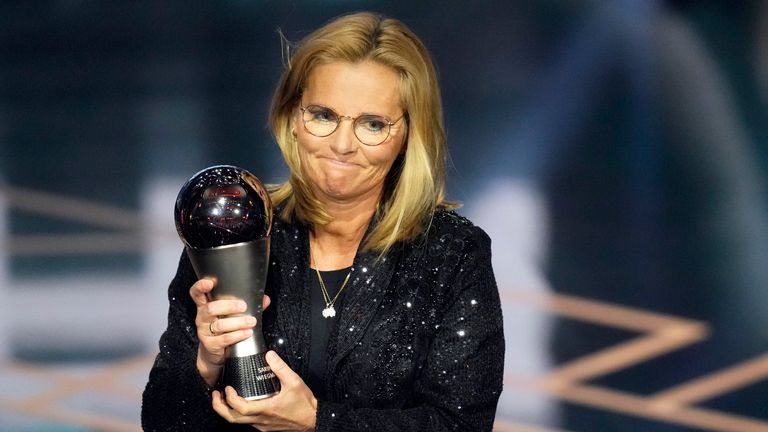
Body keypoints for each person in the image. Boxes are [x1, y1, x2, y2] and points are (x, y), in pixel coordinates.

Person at [142, 11, 504, 431]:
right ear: (293, 117)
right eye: (324, 115)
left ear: (409, 134)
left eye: (373, 124)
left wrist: (318, 423)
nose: (342, 144)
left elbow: (461, 426)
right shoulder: (236, 230)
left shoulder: (452, 253)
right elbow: (162, 423)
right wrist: (204, 364)